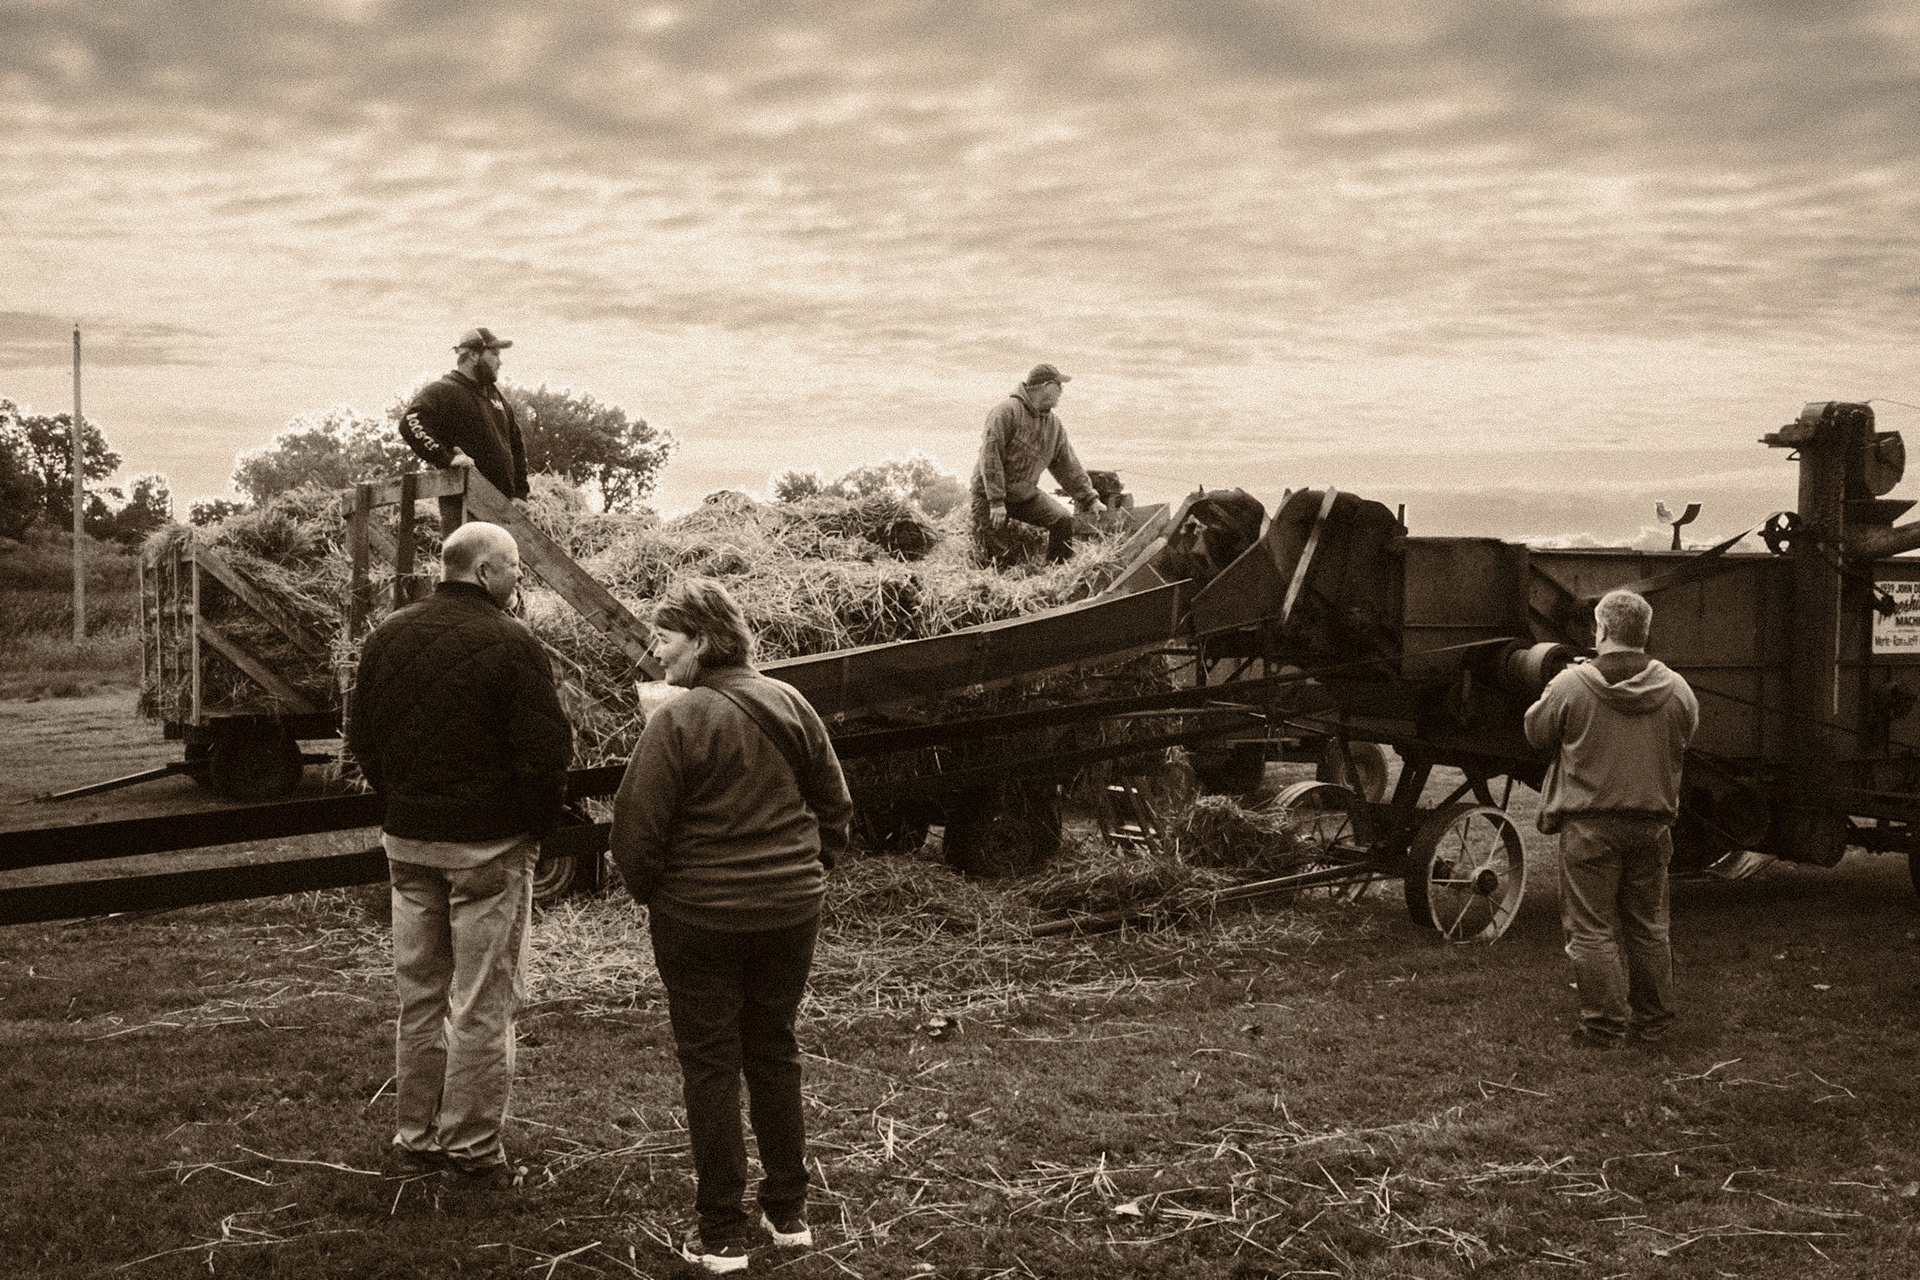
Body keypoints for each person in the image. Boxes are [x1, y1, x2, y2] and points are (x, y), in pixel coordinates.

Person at [608, 578, 853, 1274]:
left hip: (699, 919)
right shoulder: (792, 703)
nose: (656, 655)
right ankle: (789, 1214)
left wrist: (657, 892)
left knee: (712, 1064)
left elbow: (636, 829)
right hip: (788, 913)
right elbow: (835, 806)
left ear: (704, 641)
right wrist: (809, 871)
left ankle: (719, 1233)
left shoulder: (676, 724)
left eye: (664, 639)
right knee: (773, 1049)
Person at [346, 521, 573, 1187]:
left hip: (409, 844)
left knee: (419, 997)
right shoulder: (512, 642)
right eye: (513, 569)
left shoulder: (385, 636)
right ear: (482, 572)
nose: (519, 579)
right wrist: (536, 827)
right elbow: (545, 755)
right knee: (481, 1002)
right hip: (488, 848)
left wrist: (403, 798)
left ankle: (417, 1136)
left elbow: (363, 737)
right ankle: (472, 1148)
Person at [1524, 589, 1698, 1049]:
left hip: (1590, 828)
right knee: (1648, 927)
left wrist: (1557, 687)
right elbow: (1686, 738)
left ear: (1601, 630)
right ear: (1644, 632)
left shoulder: (1571, 685)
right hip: (1652, 825)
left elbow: (1536, 733)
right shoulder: (1677, 688)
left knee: (1591, 930)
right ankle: (1654, 1024)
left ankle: (1602, 1027)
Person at [970, 362, 1104, 565]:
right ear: (1047, 385)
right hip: (990, 497)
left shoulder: (1053, 425)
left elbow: (1068, 464)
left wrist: (1090, 499)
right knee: (1003, 559)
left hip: (1023, 495)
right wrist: (996, 502)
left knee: (1062, 520)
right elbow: (990, 456)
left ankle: (1056, 573)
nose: (1061, 392)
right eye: (1060, 386)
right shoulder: (1006, 412)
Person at [399, 326, 531, 502]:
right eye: (495, 354)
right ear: (474, 355)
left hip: (503, 508)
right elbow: (411, 421)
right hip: (464, 505)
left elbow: (516, 445)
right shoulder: (445, 390)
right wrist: (447, 458)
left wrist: (520, 494)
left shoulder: (497, 397)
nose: (500, 362)